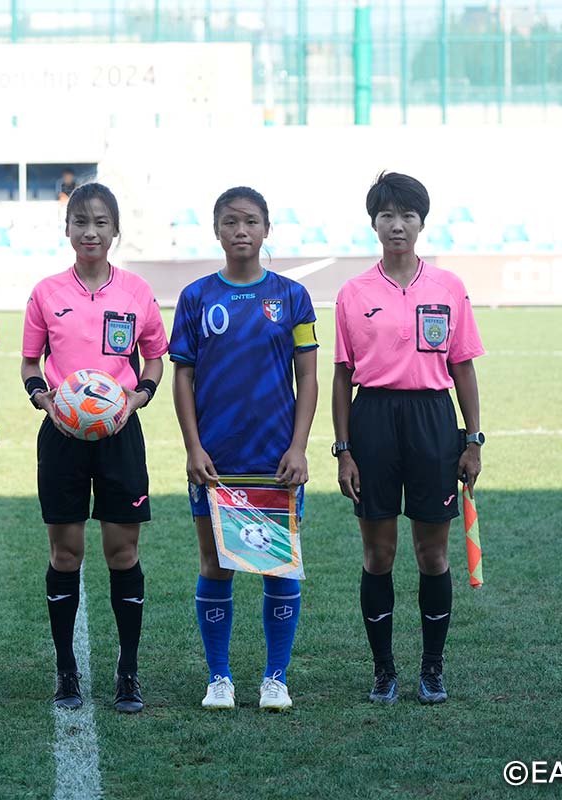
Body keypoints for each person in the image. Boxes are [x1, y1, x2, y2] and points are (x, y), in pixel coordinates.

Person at [332, 171, 484, 705]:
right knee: (378, 553)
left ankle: (432, 668)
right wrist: (344, 450)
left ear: (422, 222)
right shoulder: (353, 293)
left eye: (407, 215)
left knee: (432, 553)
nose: (397, 225)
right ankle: (383, 670)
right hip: (372, 419)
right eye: (387, 215)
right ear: (373, 223)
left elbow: (462, 366)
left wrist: (473, 439)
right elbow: (342, 376)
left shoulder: (448, 288)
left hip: (432, 419)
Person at [169, 187, 319, 712]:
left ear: (266, 229)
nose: (240, 230)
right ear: (216, 230)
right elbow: (182, 377)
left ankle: (276, 678)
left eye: (251, 221)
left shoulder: (292, 297)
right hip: (216, 462)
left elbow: (308, 376)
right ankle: (219, 678)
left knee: (279, 566)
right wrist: (193, 447)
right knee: (216, 565)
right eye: (230, 222)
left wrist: (299, 447)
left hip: (276, 460)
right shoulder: (196, 298)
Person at [21, 183, 168, 714]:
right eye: (81, 222)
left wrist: (138, 397)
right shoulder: (46, 293)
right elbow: (30, 363)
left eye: (101, 222)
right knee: (65, 553)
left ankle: (128, 672)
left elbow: (154, 358)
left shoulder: (137, 292)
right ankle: (66, 670)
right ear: (67, 230)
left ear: (115, 230)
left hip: (119, 433)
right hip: (62, 435)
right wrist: (42, 398)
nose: (90, 232)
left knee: (122, 552)